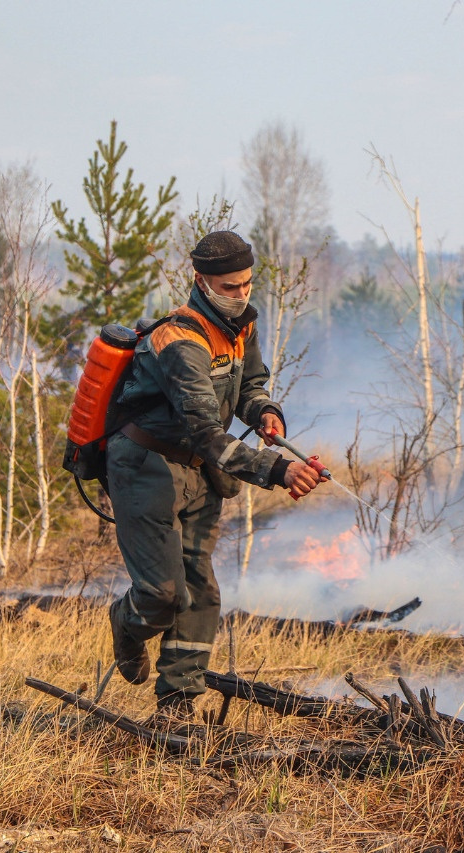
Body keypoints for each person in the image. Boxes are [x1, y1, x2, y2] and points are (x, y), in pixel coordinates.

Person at [105, 230, 326, 722]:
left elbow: (249, 383)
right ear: (200, 281)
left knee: (200, 589)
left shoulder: (240, 325)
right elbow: (206, 430)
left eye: (247, 284)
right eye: (230, 287)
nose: (242, 294)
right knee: (161, 595)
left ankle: (177, 707)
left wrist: (265, 411)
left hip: (202, 472)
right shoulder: (179, 340)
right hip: (147, 468)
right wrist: (280, 470)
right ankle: (126, 621)